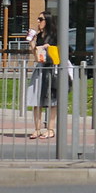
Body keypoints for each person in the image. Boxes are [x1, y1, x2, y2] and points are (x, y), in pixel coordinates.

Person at [26, 11, 57, 139]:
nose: (38, 21)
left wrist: (49, 48)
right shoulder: (39, 36)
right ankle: (37, 129)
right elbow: (37, 57)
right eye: (38, 19)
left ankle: (50, 129)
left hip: (51, 69)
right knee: (36, 100)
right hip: (40, 68)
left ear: (47, 21)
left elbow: (59, 53)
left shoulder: (54, 36)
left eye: (41, 19)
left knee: (52, 100)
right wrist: (32, 43)